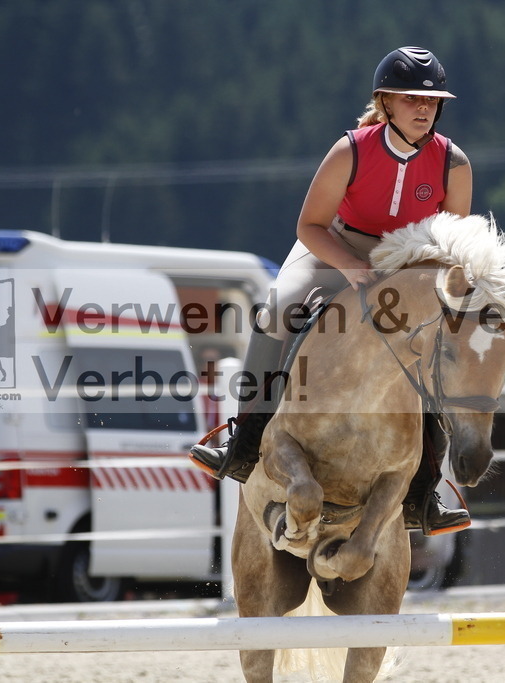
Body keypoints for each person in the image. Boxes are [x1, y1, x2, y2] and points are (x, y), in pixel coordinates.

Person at [190, 46, 473, 535]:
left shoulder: (454, 164)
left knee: (440, 344)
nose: (423, 108)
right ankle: (244, 439)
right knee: (277, 309)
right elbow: (310, 225)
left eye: (431, 101)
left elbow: (452, 243)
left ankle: (427, 487)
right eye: (410, 99)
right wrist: (351, 266)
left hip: (407, 262)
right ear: (384, 102)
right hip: (335, 246)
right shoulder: (352, 149)